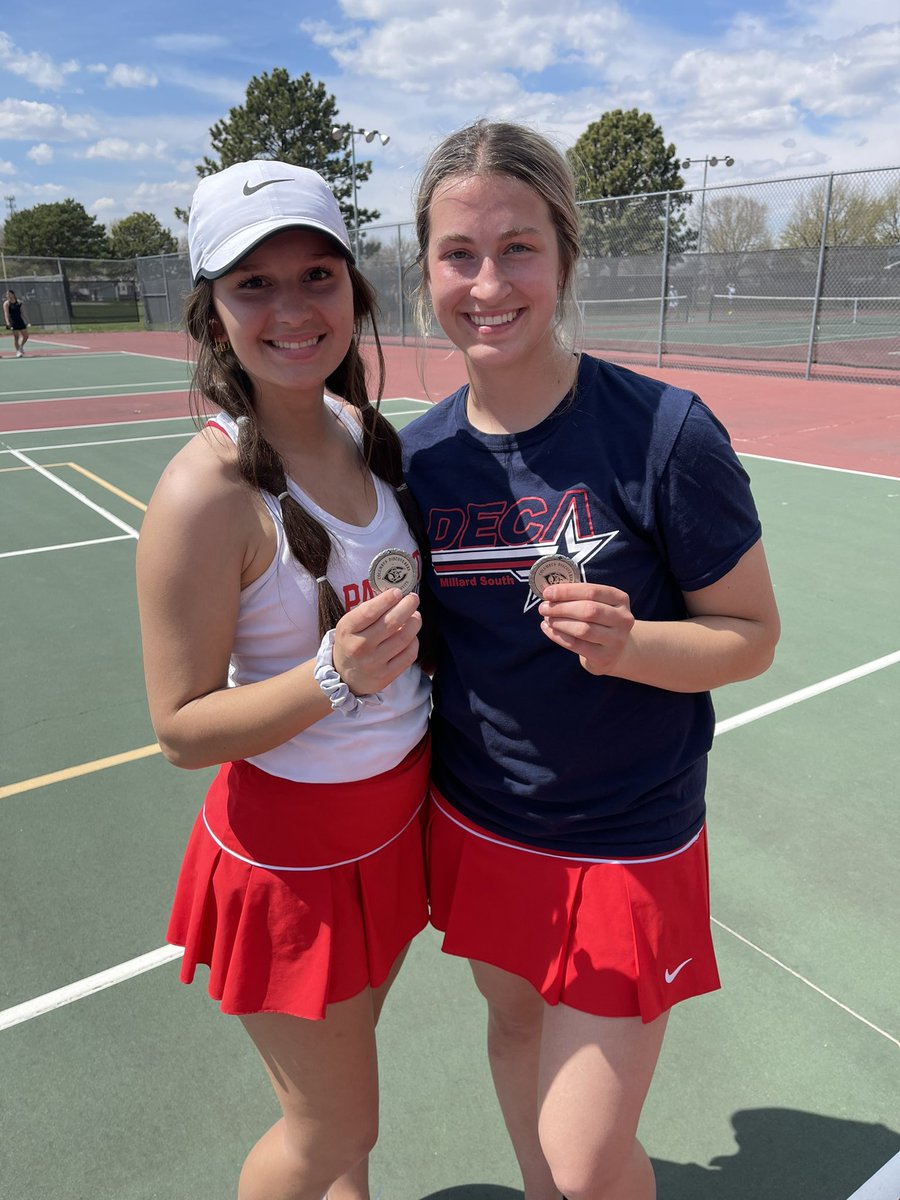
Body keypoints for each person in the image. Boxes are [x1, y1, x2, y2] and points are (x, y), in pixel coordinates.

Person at [401, 120, 781, 1200]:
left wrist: (633, 643)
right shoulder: (418, 458)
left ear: (566, 256)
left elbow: (750, 636)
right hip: (481, 823)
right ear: (425, 267)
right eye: (458, 254)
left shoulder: (663, 433)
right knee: (515, 1037)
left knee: (585, 1157)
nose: (487, 283)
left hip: (625, 841)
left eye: (518, 247)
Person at [136, 160, 431, 1200]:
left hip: (394, 833)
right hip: (291, 865)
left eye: (317, 274)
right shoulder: (203, 492)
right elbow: (179, 728)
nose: (293, 308)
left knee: (333, 1120)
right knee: (332, 1125)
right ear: (213, 315)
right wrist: (333, 676)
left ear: (355, 289)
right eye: (253, 284)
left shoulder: (364, 434)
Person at [4, 289, 30, 356]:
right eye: (7, 294)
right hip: (13, 321)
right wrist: (7, 322)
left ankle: (21, 347)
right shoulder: (6, 303)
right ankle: (18, 351)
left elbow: (23, 312)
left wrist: (27, 321)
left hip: (20, 320)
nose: (8, 295)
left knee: (26, 336)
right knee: (16, 337)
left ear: (13, 294)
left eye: (9, 294)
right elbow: (6, 313)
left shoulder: (19, 302)